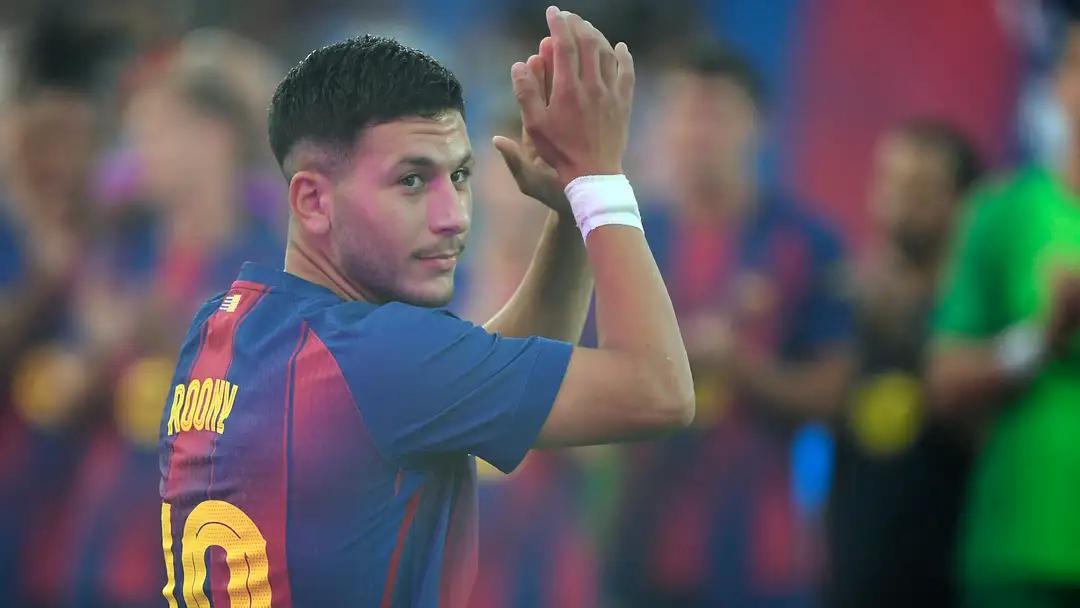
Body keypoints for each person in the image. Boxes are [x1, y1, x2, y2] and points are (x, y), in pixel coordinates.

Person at [158, 6, 693, 607]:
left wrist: (569, 216)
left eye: (459, 177)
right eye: (412, 181)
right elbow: (658, 391)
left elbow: (473, 375)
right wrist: (599, 177)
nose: (453, 218)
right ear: (311, 201)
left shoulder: (223, 328)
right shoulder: (381, 359)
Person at [609, 42, 854, 607]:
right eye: (683, 113)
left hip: (760, 557)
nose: (697, 133)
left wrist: (739, 365)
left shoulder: (806, 243)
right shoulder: (626, 240)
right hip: (641, 549)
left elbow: (834, 393)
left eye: (715, 114)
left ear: (759, 126)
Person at [928, 8, 1080, 606]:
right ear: (1059, 84)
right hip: (1026, 549)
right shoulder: (1003, 213)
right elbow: (945, 379)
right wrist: (1041, 339)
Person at [826, 119, 982, 608]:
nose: (898, 202)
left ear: (963, 203)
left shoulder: (976, 322)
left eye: (920, 188)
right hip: (852, 571)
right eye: (890, 182)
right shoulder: (844, 303)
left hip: (949, 573)